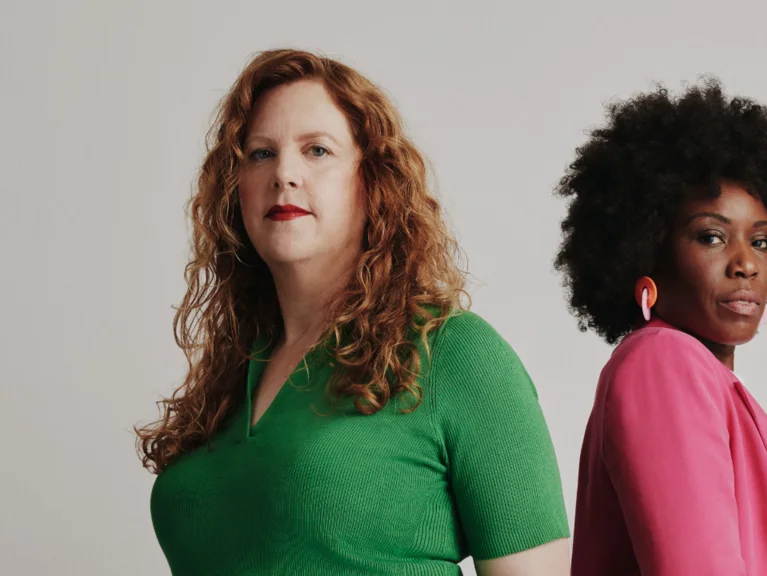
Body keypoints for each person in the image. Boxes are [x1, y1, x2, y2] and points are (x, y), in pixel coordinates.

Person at [136, 48, 570, 576]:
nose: (285, 173)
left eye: (317, 150)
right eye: (260, 154)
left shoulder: (456, 355)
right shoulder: (231, 377)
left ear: (374, 182)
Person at [555, 78, 767, 575]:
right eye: (711, 236)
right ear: (646, 251)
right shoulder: (661, 362)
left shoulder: (718, 388)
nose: (745, 264)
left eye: (763, 242)